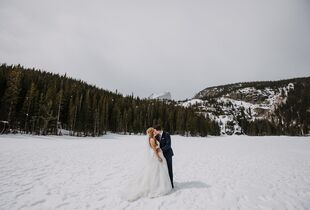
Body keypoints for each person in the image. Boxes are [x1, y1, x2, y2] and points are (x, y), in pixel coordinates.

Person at [120, 127, 172, 201]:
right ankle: (157, 186)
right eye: (153, 131)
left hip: (159, 154)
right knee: (156, 171)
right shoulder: (152, 139)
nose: (155, 132)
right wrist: (158, 158)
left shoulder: (154, 138)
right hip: (156, 156)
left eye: (155, 131)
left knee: (158, 171)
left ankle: (159, 184)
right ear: (151, 132)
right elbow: (154, 150)